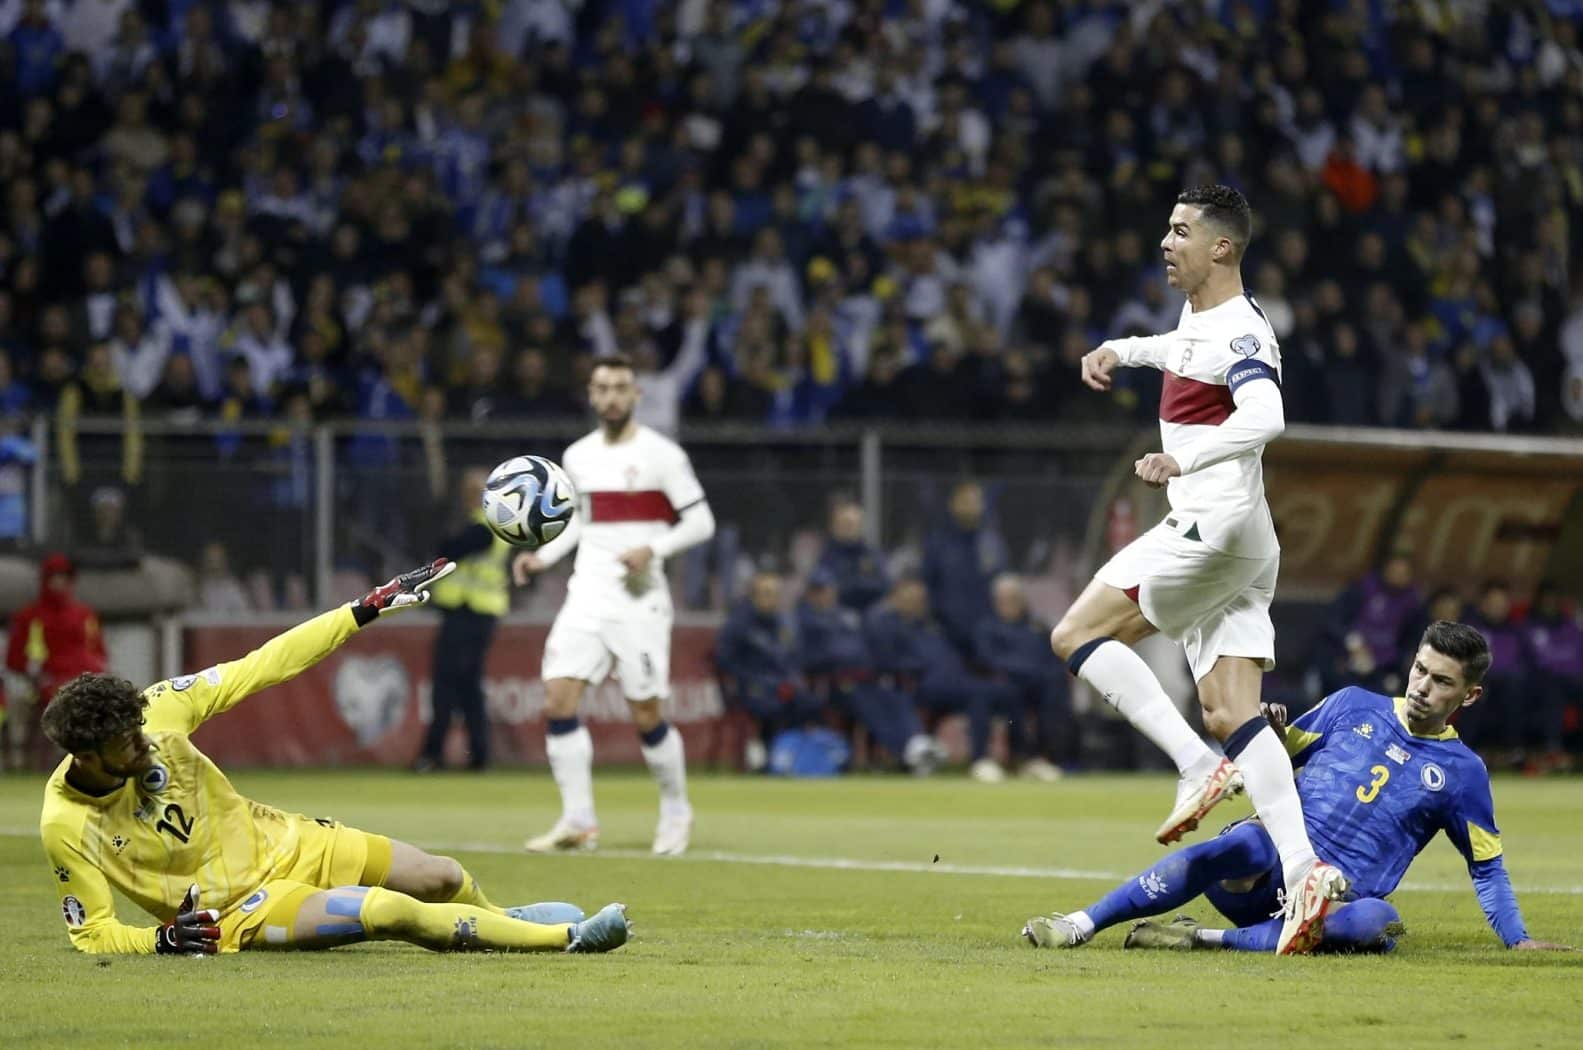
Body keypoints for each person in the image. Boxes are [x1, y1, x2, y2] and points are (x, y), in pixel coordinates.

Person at [38, 559, 629, 956]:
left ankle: (502, 919)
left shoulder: (158, 711)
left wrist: (365, 608)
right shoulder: (66, 823)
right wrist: (160, 941)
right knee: (393, 912)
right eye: (126, 743)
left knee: (442, 875)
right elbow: (93, 932)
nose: (144, 743)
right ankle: (568, 939)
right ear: (87, 757)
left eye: (140, 729)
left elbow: (266, 662)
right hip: (244, 906)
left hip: (292, 841)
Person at [1049, 184, 1343, 954]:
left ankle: (1191, 767)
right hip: (1247, 539)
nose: (1164, 242)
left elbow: (1264, 417)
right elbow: (1181, 354)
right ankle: (1305, 870)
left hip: (1207, 527)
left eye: (1179, 231)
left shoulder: (1243, 332)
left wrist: (1182, 454)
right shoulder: (1198, 320)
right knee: (1231, 711)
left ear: (1221, 247)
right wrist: (1122, 350)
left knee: (1075, 634)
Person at [1023, 622, 1572, 955]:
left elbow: (1487, 866)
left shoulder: (1464, 772)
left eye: (1442, 681)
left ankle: (1196, 939)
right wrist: (1277, 735)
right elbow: (1273, 758)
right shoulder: (1352, 704)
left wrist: (1517, 939)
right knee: (1244, 844)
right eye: (1420, 670)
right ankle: (1080, 923)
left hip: (1330, 905)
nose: (1423, 687)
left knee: (1374, 918)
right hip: (1267, 871)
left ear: (1469, 696)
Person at [513, 354, 716, 856]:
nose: (611, 396)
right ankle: (579, 820)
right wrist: (543, 557)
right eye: (602, 387)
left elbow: (701, 522)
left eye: (621, 387)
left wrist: (654, 549)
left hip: (639, 600)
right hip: (587, 594)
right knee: (558, 700)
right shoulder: (577, 455)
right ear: (591, 394)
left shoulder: (662, 455)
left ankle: (675, 810)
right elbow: (580, 523)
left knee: (646, 712)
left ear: (636, 395)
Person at [865, 574, 1018, 782]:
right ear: (897, 595)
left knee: (1007, 690)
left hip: (955, 681)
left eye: (921, 598)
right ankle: (979, 761)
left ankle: (1023, 757)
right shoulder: (886, 622)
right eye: (912, 596)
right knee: (979, 693)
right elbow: (886, 659)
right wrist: (917, 668)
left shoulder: (933, 623)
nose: (919, 601)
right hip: (922, 685)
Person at [797, 567, 942, 774]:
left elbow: (863, 647)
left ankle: (916, 743)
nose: (824, 594)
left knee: (894, 695)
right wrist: (838, 656)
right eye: (818, 590)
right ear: (810, 593)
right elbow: (806, 658)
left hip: (865, 677)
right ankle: (908, 754)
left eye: (827, 589)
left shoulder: (845, 615)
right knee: (869, 704)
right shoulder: (804, 619)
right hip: (834, 682)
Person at [415, 468, 512, 772]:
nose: (471, 496)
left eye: (477, 490)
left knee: (447, 685)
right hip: (473, 612)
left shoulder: (485, 527)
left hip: (470, 612)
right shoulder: (493, 524)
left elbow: (448, 551)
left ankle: (432, 756)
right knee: (468, 686)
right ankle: (478, 756)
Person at [4, 553, 108, 771]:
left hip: (81, 682)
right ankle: (34, 765)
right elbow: (14, 659)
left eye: (64, 577)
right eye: (54, 577)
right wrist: (37, 677)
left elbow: (98, 653)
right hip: (43, 685)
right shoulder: (29, 617)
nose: (58, 583)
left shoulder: (85, 615)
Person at [973, 573, 1075, 780]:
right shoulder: (987, 628)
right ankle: (1005, 758)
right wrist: (1024, 671)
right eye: (1005, 599)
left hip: (1038, 684)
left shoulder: (1036, 627)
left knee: (1055, 689)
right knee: (1010, 693)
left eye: (1014, 598)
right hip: (1004, 684)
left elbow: (1052, 657)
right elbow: (986, 660)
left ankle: (1044, 759)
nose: (1010, 604)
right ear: (996, 601)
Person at [715, 568, 825, 747]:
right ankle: (766, 753)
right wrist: (753, 679)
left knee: (810, 703)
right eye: (766, 593)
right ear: (754, 595)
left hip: (783, 684)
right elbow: (725, 659)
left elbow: (795, 658)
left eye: (775, 594)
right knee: (769, 705)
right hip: (752, 686)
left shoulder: (786, 624)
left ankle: (793, 754)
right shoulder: (739, 624)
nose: (771, 598)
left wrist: (792, 680)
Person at [921, 479, 1007, 658]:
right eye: (965, 501)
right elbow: (928, 585)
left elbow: (1001, 584)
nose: (971, 506)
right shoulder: (938, 543)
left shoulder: (992, 543)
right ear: (952, 505)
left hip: (988, 635)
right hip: (947, 635)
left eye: (975, 501)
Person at [1523, 581, 1582, 770]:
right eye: (1546, 599)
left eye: (1554, 599)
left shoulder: (1572, 626)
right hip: (1541, 683)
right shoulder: (1528, 627)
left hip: (1573, 680)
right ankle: (1552, 749)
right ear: (1538, 601)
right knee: (1552, 690)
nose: (1550, 603)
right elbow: (1533, 661)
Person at [810, 497, 889, 613]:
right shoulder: (826, 556)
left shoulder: (872, 554)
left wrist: (856, 585)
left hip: (870, 614)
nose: (849, 529)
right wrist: (862, 583)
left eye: (853, 524)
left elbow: (884, 585)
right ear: (834, 527)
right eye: (844, 524)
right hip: (837, 616)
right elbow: (828, 590)